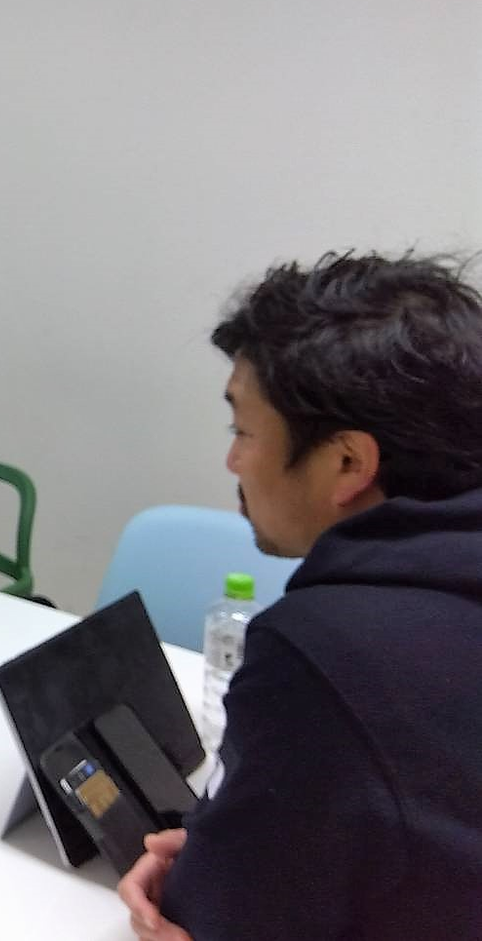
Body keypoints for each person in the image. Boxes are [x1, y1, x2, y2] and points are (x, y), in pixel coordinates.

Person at [119, 252, 482, 940]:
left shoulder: (323, 650)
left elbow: (214, 919)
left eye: (243, 431)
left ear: (347, 462)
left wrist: (220, 868)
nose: (232, 461)